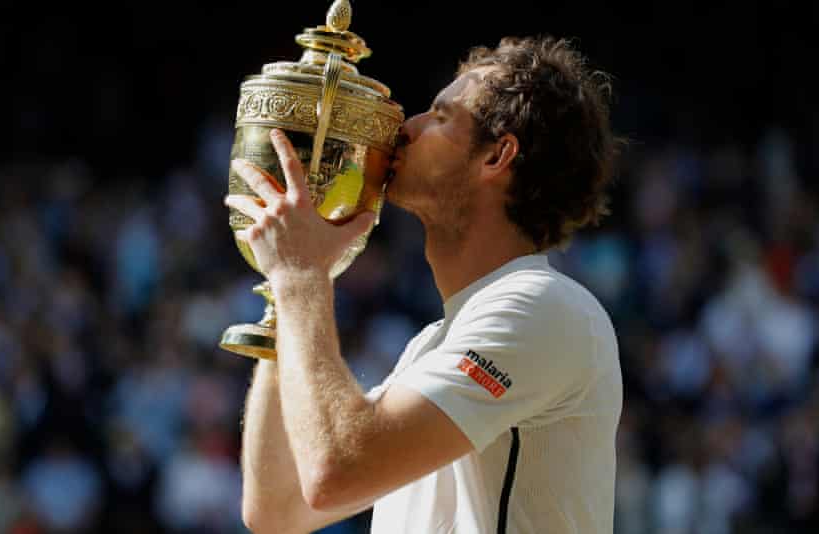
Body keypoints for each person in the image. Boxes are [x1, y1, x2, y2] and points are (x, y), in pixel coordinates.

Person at [226, 36, 624, 534]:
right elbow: (276, 509)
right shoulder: (430, 344)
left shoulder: (543, 306)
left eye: (439, 116)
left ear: (497, 156)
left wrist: (301, 277)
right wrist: (286, 301)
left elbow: (337, 469)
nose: (407, 128)